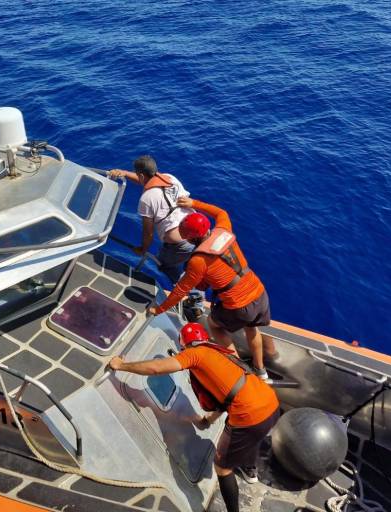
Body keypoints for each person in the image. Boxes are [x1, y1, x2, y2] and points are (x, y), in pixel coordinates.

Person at [108, 323, 280, 512]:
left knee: (222, 468)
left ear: (184, 344)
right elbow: (229, 393)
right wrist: (208, 421)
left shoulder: (194, 354)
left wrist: (121, 365)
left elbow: (157, 368)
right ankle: (249, 469)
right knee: (250, 437)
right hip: (271, 404)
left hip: (249, 416)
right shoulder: (218, 352)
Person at [146, 197, 277, 381]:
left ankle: (240, 370)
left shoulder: (197, 261)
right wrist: (193, 204)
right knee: (252, 329)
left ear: (191, 238)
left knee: (214, 324)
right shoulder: (223, 229)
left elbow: (180, 291)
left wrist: (158, 309)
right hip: (259, 293)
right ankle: (261, 371)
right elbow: (221, 212)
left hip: (239, 305)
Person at [107, 155, 195, 284]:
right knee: (192, 266)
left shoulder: (147, 198)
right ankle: (196, 294)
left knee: (166, 266)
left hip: (179, 245)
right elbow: (148, 180)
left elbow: (148, 232)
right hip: (196, 232)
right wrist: (125, 173)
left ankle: (189, 296)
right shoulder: (171, 178)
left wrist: (143, 249)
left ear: (141, 176)